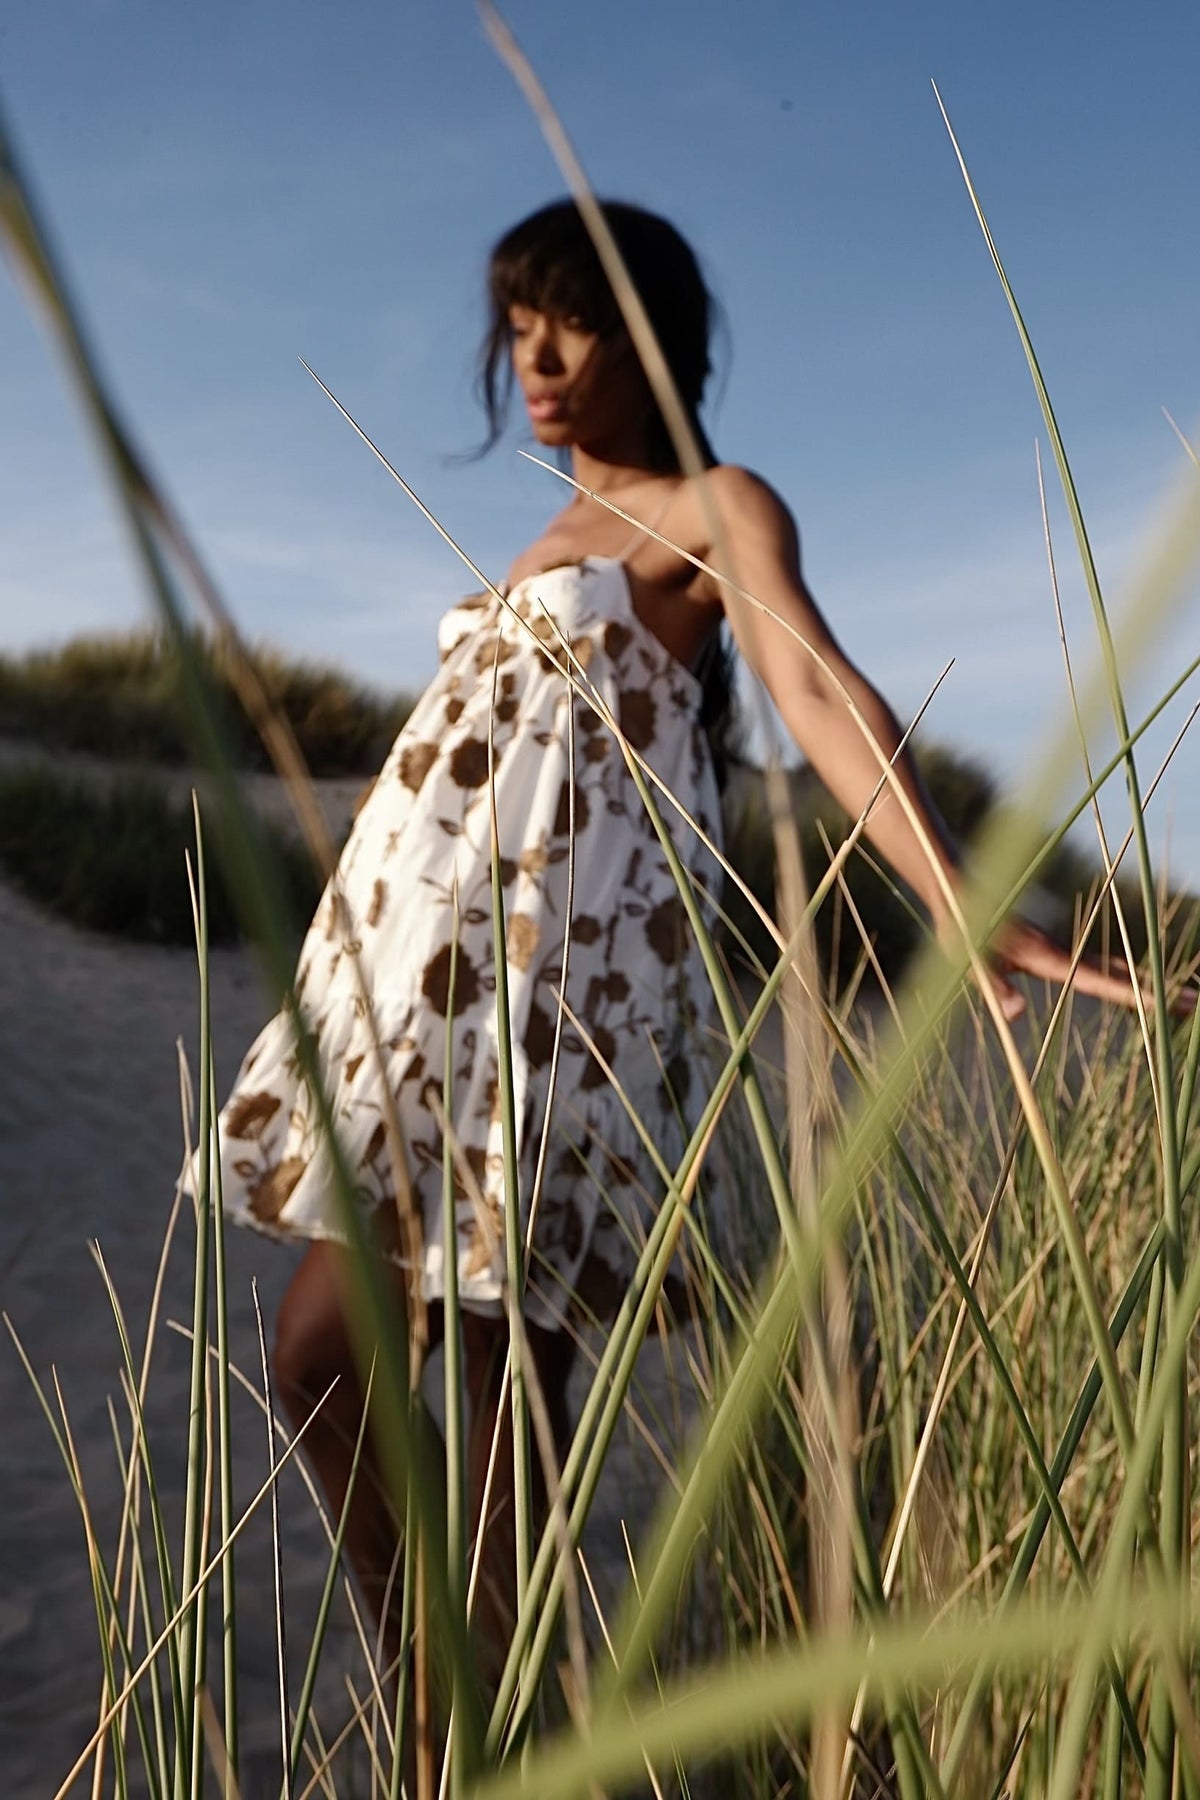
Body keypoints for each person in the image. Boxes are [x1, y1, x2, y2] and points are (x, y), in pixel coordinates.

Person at [207, 197, 1143, 1681]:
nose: (540, 356)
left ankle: (482, 1736)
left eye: (571, 319)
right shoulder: (541, 532)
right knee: (321, 1362)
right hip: (419, 988)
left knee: (517, 1402)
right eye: (519, 327)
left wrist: (963, 897)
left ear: (653, 335)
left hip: (568, 1000)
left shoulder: (715, 507)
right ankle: (440, 1666)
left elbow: (817, 691)